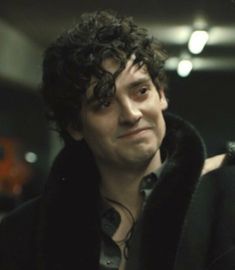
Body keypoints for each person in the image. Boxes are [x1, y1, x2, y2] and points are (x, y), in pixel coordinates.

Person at [0, 10, 235, 270]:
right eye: (104, 103)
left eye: (141, 91)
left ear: (161, 95)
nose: (131, 114)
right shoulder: (23, 232)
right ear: (75, 126)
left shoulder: (224, 196)